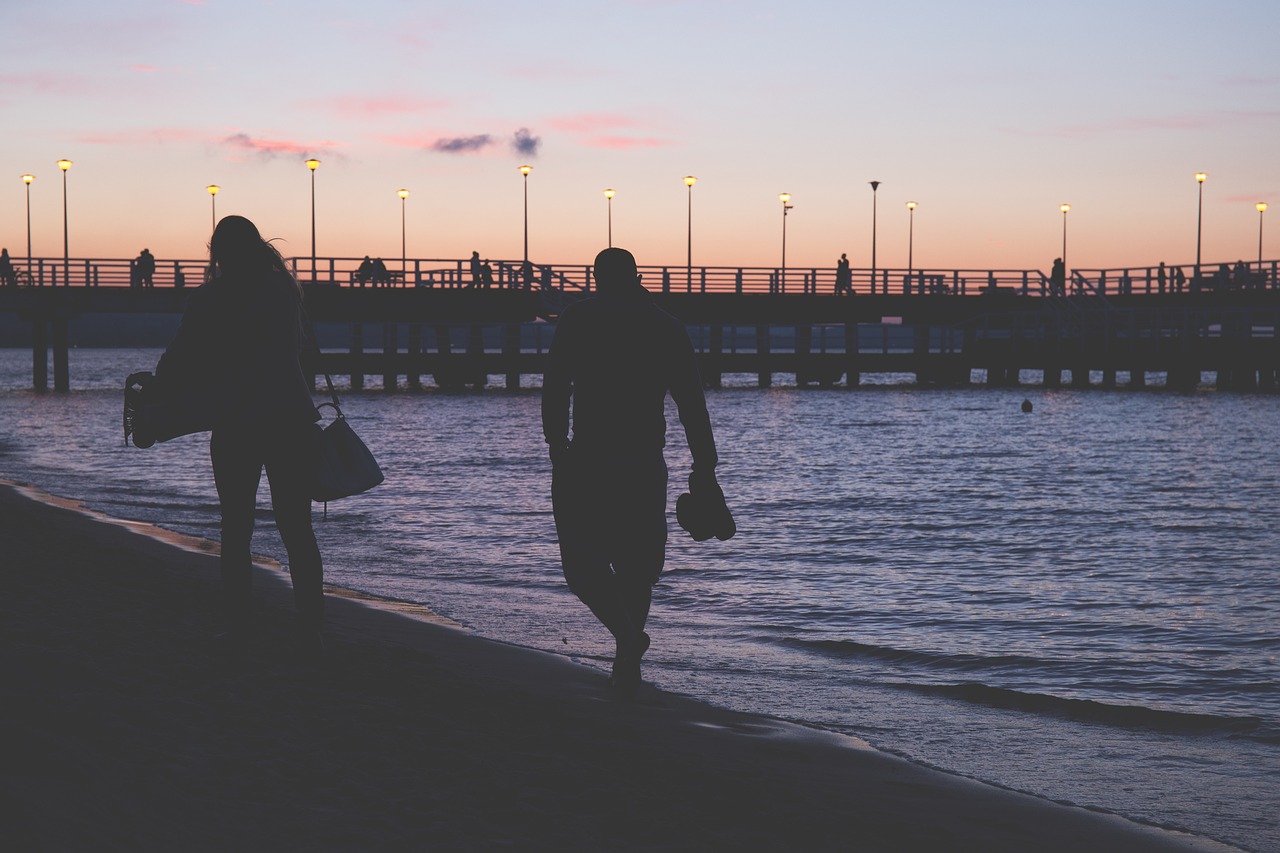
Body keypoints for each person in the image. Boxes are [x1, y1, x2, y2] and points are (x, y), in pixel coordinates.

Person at [542, 247, 722, 697]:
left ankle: (627, 642)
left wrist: (555, 444)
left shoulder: (579, 319)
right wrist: (704, 464)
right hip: (643, 463)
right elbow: (691, 403)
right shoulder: (665, 326)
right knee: (636, 566)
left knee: (582, 564)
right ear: (637, 275)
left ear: (597, 277)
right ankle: (628, 649)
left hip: (586, 458)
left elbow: (556, 384)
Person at [154, 215, 324, 651]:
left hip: (237, 420)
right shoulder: (283, 289)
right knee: (296, 527)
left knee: (236, 527)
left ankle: (240, 626)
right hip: (289, 418)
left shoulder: (210, 297)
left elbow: (180, 356)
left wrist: (160, 389)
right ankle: (311, 628)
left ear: (218, 253)